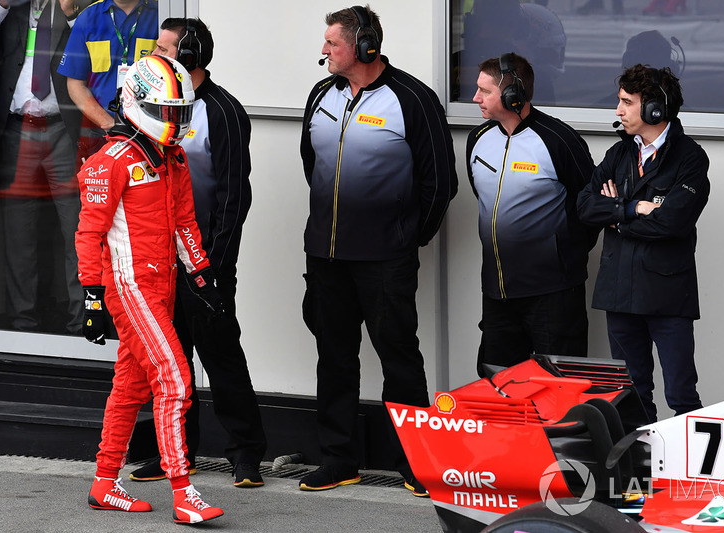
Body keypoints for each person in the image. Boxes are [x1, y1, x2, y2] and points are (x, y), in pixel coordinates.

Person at [300, 5, 457, 496]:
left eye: (333, 42)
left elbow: (440, 183)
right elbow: (312, 164)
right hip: (326, 256)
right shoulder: (321, 94)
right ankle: (338, 460)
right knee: (334, 358)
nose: (324, 50)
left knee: (399, 359)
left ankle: (416, 464)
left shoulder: (413, 98)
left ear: (364, 45)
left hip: (385, 260)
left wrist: (407, 238)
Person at [77, 55, 224, 524]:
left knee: (130, 385)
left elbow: (185, 223)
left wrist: (202, 276)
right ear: (137, 104)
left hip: (163, 285)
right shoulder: (109, 161)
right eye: (167, 111)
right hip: (130, 286)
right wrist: (92, 296)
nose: (175, 121)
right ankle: (183, 492)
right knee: (175, 381)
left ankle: (105, 483)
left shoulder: (172, 157)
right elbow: (88, 234)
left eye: (181, 112)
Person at [128, 17, 268, 489]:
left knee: (221, 355)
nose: (154, 56)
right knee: (170, 360)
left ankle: (245, 455)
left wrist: (213, 267)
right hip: (157, 258)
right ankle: (176, 452)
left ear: (189, 58)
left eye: (164, 49)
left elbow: (234, 196)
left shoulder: (222, 111)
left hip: (204, 262)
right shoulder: (150, 101)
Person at [577, 64, 710, 423]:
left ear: (654, 108)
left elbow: (672, 223)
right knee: (630, 395)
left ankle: (690, 461)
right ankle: (641, 459)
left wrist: (615, 217)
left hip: (667, 295)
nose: (618, 110)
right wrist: (633, 208)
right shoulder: (619, 154)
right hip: (618, 292)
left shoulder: (690, 158)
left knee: (681, 394)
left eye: (626, 102)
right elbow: (585, 207)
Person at [467, 53, 596, 378]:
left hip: (552, 294)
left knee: (561, 388)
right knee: (498, 386)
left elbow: (590, 206)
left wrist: (561, 254)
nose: (475, 98)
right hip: (497, 293)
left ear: (514, 95)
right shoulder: (478, 140)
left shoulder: (559, 141)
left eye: (485, 91)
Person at [0, 0, 84, 334]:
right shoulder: (11, 9)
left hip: (63, 131)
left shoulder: (73, 6)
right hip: (17, 131)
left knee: (76, 228)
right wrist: (1, 4)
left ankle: (81, 321)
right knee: (19, 229)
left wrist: (70, 12)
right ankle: (22, 322)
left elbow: (89, 47)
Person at [58, 0, 158, 160]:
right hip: (102, 135)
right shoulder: (88, 17)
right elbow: (75, 85)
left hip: (151, 133)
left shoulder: (160, 14)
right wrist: (110, 125)